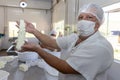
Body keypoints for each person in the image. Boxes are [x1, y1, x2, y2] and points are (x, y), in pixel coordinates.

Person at [16, 3, 113, 80]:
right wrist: (34, 31)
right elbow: (53, 43)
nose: (84, 20)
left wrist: (38, 49)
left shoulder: (99, 47)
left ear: (98, 23)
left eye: (89, 17)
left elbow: (65, 68)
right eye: (80, 17)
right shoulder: (75, 38)